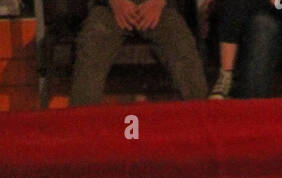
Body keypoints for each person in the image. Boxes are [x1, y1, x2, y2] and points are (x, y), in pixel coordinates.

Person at [69, 0, 208, 106]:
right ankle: (79, 128)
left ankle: (201, 122)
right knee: (91, 48)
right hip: (108, 7)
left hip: (159, 7)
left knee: (182, 48)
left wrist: (159, 2)